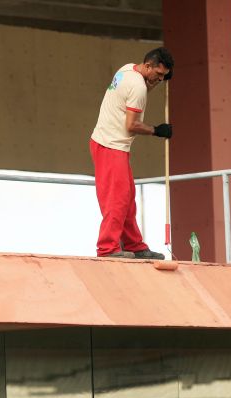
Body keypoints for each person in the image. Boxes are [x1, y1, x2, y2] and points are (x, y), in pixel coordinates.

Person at [90, 47, 174, 259]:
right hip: (111, 145)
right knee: (117, 199)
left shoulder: (127, 70)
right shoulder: (138, 87)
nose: (160, 78)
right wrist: (157, 130)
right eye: (159, 74)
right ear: (148, 66)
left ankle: (135, 245)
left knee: (128, 198)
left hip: (108, 143)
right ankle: (107, 248)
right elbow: (131, 125)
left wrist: (155, 82)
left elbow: (138, 93)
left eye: (164, 76)